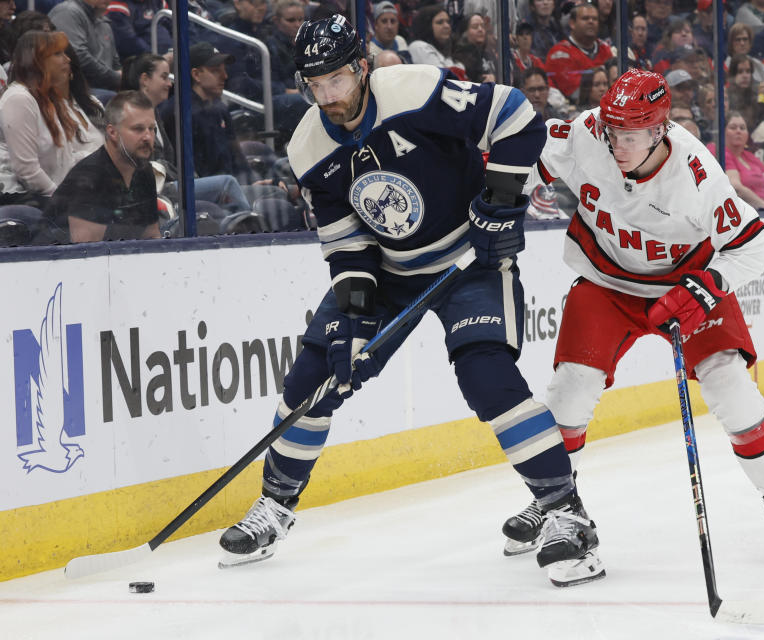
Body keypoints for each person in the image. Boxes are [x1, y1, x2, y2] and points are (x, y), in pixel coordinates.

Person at [218, 15, 602, 588]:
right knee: (312, 378)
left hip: (467, 257)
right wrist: (351, 323)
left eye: (338, 80)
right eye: (315, 84)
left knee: (486, 374)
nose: (329, 96)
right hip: (389, 271)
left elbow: (518, 116)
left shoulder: (418, 91)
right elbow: (348, 247)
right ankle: (275, 506)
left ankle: (567, 514)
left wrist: (500, 202)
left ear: (362, 67)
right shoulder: (307, 147)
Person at [500, 68, 764, 562]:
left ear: (660, 131)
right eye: (612, 132)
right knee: (572, 384)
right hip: (607, 282)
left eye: (628, 136)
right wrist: (502, 199)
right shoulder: (588, 133)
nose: (615, 145)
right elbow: (532, 159)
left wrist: (703, 289)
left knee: (729, 384)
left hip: (683, 284)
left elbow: (752, 246)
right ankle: (552, 501)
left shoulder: (697, 176)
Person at [121, 52, 254, 214]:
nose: (170, 84)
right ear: (145, 80)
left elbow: (169, 160)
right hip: (156, 190)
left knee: (271, 193)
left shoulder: (155, 113)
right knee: (227, 184)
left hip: (174, 182)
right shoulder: (132, 115)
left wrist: (252, 182)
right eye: (164, 77)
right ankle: (250, 233)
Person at [0, 31, 102, 210]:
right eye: (58, 54)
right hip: (25, 199)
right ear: (37, 60)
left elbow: (65, 160)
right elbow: (27, 171)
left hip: (55, 196)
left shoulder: (49, 99)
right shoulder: (19, 98)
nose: (67, 59)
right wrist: (62, 201)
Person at [44, 91, 160, 242]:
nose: (148, 137)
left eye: (151, 129)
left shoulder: (144, 171)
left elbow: (152, 236)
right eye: (138, 129)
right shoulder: (89, 178)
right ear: (112, 132)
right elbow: (87, 256)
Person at [708, 112, 764, 209]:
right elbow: (736, 188)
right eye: (733, 128)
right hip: (748, 215)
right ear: (722, 132)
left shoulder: (751, 157)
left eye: (742, 128)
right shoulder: (718, 151)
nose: (738, 131)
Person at [545, 1, 613, 101]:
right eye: (585, 18)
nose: (591, 21)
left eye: (595, 19)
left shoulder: (605, 49)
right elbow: (576, 93)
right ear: (572, 23)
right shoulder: (560, 53)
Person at [49, 0, 122, 91]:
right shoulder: (67, 12)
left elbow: (115, 63)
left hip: (105, 87)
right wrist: (115, 77)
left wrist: (122, 78)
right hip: (78, 89)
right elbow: (78, 56)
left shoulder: (104, 23)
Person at [105, 0, 172, 60]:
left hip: (169, 57)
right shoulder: (117, 5)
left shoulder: (158, 1)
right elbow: (128, 41)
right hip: (142, 63)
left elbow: (172, 26)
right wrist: (157, 58)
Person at [407, 5, 458, 70]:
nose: (447, 26)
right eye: (440, 22)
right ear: (426, 26)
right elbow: (441, 76)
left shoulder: (449, 48)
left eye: (448, 22)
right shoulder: (418, 46)